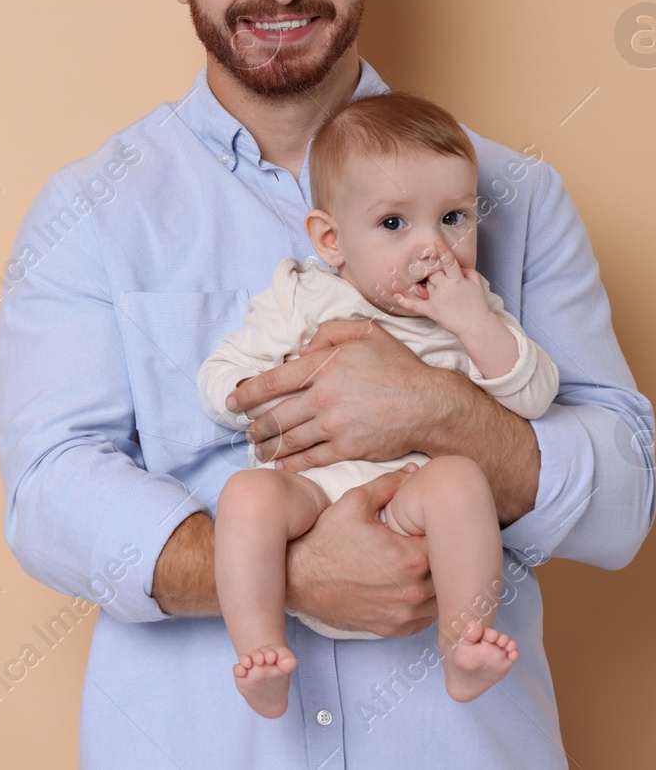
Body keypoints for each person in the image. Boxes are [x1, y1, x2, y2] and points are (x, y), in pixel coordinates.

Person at [0, 0, 655, 767]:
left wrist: (445, 410)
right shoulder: (89, 211)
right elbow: (50, 492)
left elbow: (623, 497)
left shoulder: (515, 192)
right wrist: (286, 576)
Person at [197, 91, 561, 718]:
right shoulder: (300, 297)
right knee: (245, 498)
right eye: (395, 224)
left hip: (409, 503)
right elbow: (221, 378)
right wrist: (268, 395)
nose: (433, 249)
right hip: (310, 502)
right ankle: (261, 654)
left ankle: (462, 647)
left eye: (454, 218)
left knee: (459, 483)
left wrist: (475, 325)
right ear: (331, 239)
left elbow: (534, 397)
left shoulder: (472, 309)